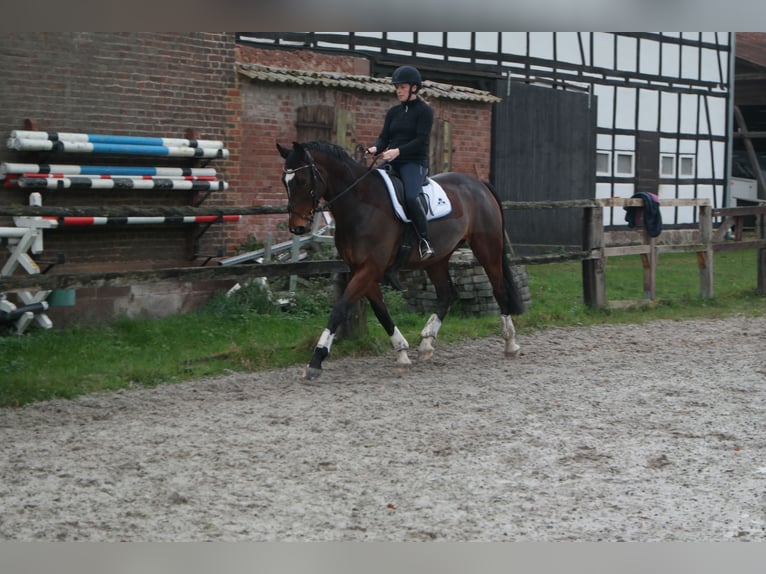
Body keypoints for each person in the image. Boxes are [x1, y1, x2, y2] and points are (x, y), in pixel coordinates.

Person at [367, 65, 435, 260]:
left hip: (414, 163)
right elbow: (384, 137)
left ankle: (424, 240)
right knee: (371, 186)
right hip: (392, 162)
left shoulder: (424, 111)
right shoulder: (393, 112)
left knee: (412, 197)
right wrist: (374, 149)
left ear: (414, 88)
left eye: (402, 87)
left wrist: (397, 151)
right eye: (397, 87)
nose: (398, 90)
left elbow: (421, 140)